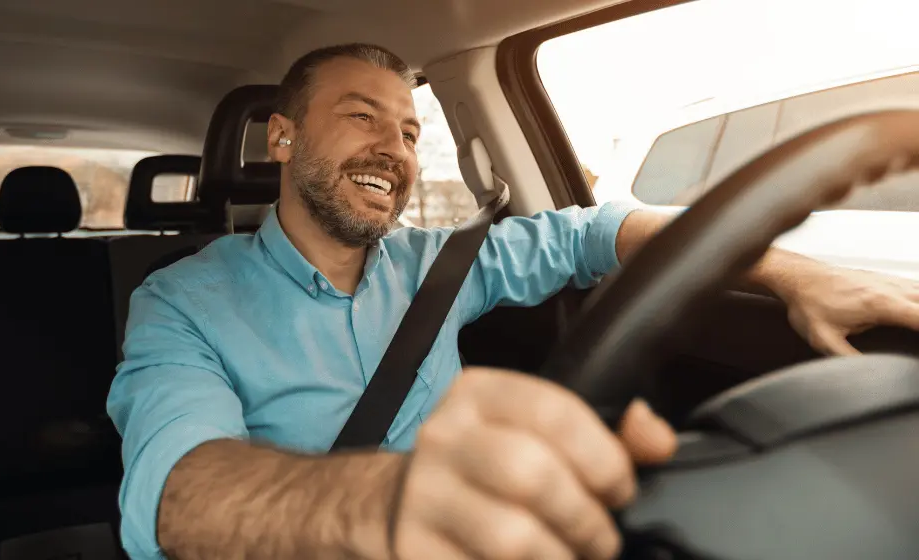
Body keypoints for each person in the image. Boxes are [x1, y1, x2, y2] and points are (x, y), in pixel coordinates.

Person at [107, 43, 919, 560]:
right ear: (282, 139)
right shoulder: (181, 301)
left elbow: (594, 233)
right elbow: (178, 488)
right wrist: (390, 507)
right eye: (362, 118)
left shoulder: (442, 263)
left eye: (410, 132)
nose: (393, 150)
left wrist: (793, 272)